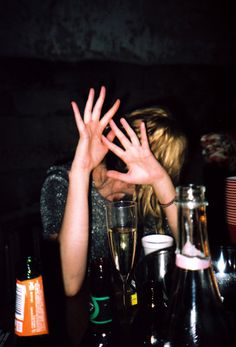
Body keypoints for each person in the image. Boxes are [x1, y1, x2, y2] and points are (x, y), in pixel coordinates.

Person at [40, 86, 187, 296]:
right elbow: (69, 285)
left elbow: (195, 255)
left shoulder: (152, 197)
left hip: (140, 311)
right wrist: (81, 171)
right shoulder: (62, 180)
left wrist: (161, 181)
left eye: (157, 158)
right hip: (86, 314)